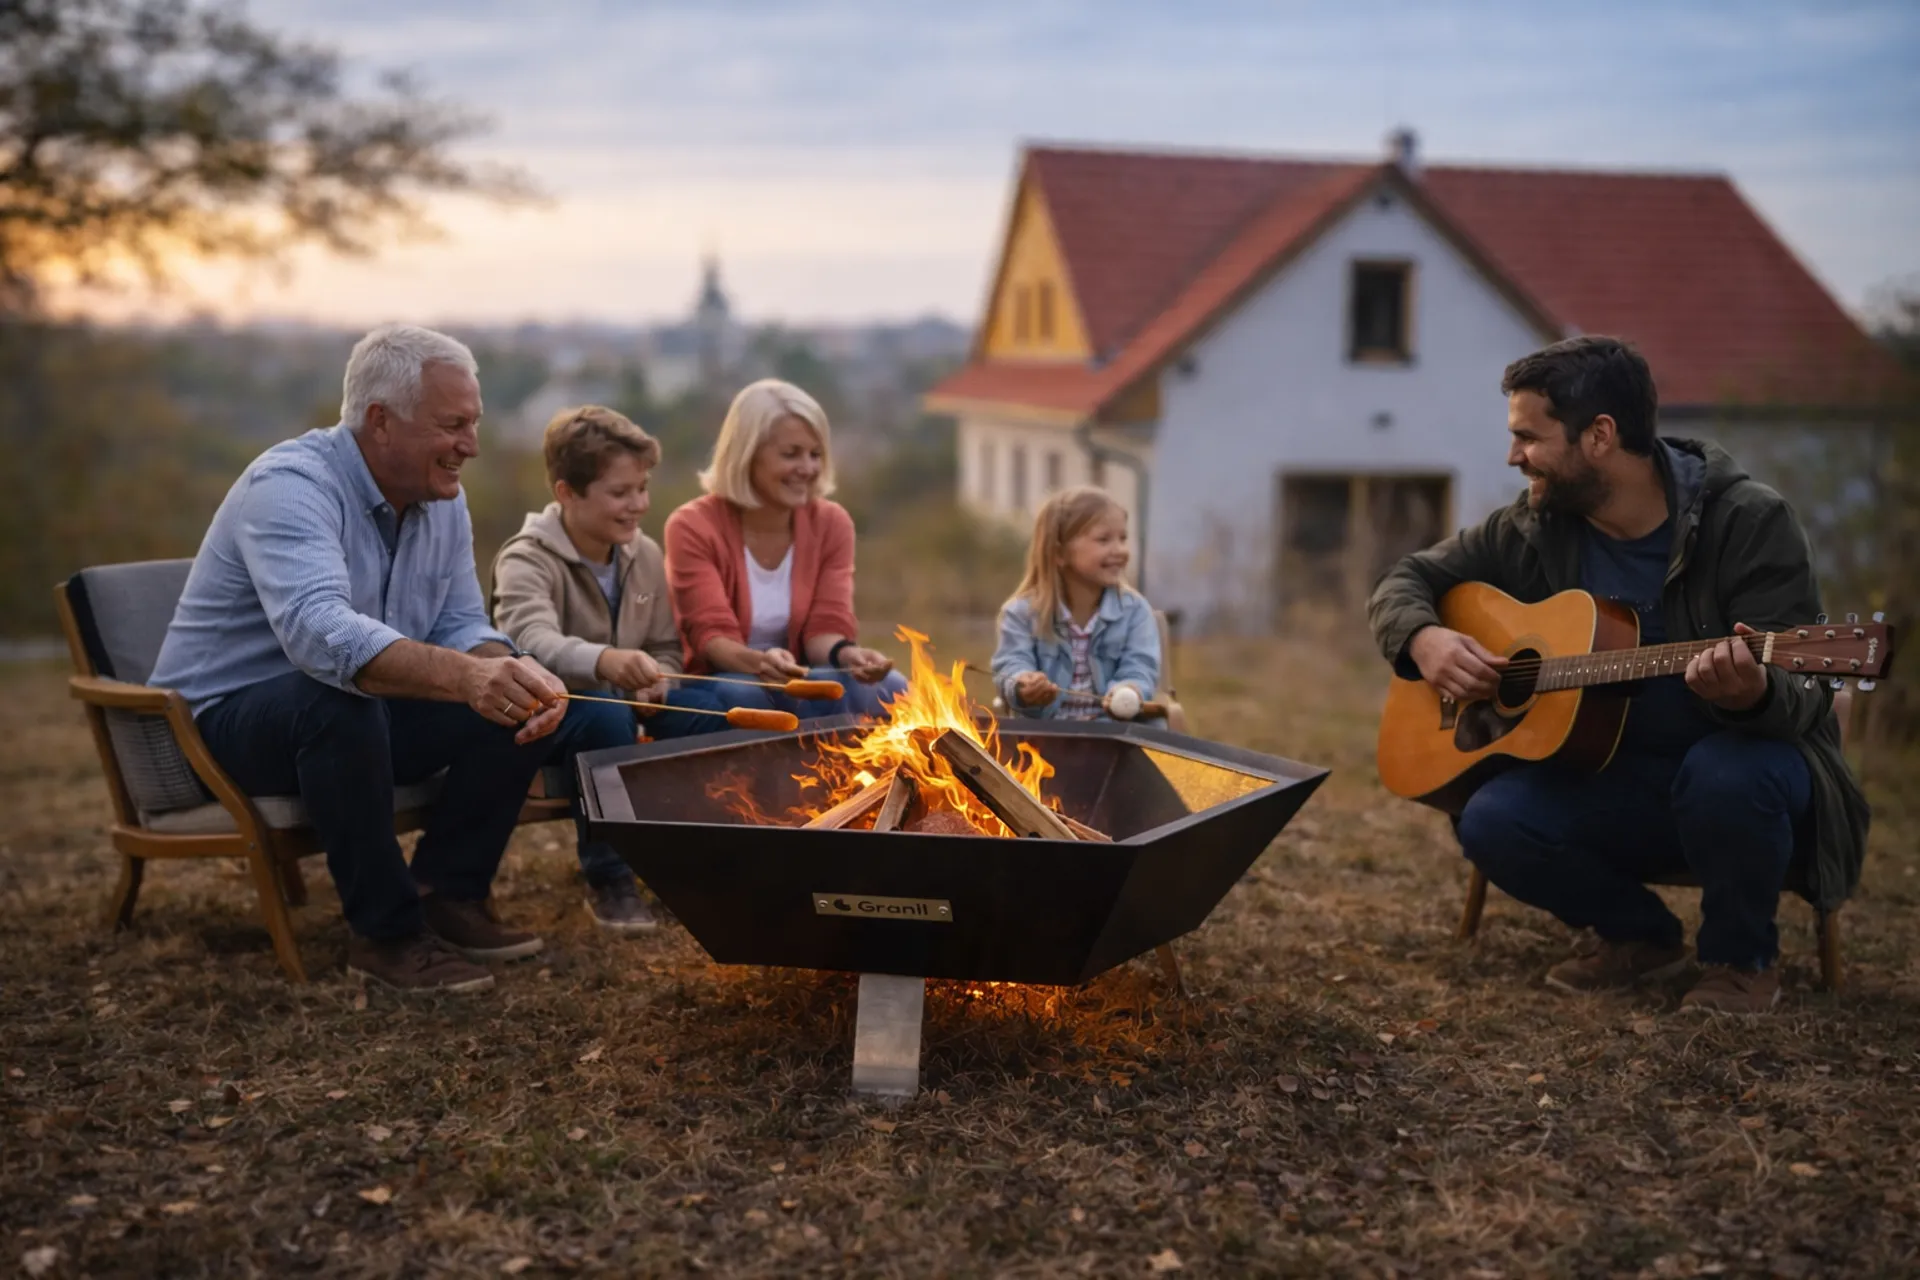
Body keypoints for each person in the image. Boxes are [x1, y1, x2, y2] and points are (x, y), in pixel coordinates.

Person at [1368, 336, 1868, 1015]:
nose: (1515, 457)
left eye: (1529, 437)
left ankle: (1739, 960)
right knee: (1491, 820)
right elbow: (1408, 577)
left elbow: (1807, 693)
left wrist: (1754, 692)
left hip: (1743, 789)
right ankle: (1640, 937)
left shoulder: (1748, 521)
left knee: (1727, 771)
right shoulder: (1537, 525)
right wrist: (1423, 638)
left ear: (1599, 435)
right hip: (1611, 781)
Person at [149, 325, 614, 994]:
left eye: (474, 424)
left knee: (515, 702)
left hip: (349, 714)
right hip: (216, 729)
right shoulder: (289, 486)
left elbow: (458, 623)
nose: (472, 447)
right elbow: (321, 635)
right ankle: (386, 936)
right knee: (338, 703)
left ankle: (448, 894)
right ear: (381, 422)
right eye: (453, 425)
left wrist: (500, 669)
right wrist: (466, 676)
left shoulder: (438, 500)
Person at [490, 405, 724, 934]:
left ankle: (700, 861)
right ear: (567, 492)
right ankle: (610, 877)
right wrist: (606, 662)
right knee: (607, 717)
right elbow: (527, 640)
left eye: (641, 489)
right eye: (620, 493)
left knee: (708, 714)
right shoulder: (526, 558)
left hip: (628, 704)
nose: (638, 505)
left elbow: (666, 644)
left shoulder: (642, 554)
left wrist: (662, 677)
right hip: (552, 715)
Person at [663, 378, 907, 721]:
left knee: (892, 688)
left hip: (802, 675)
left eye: (815, 454)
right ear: (747, 455)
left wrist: (847, 654)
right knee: (747, 695)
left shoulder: (832, 523)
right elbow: (711, 638)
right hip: (723, 677)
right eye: (791, 454)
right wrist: (762, 663)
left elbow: (825, 628)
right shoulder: (692, 526)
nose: (807, 469)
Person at [991, 486, 1161, 721]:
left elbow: (1140, 668)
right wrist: (1024, 685)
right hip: (1045, 740)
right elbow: (1011, 665)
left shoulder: (1136, 612)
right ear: (1059, 554)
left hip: (1115, 736)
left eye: (1123, 538)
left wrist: (1127, 691)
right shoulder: (1021, 614)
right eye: (1104, 539)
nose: (1120, 550)